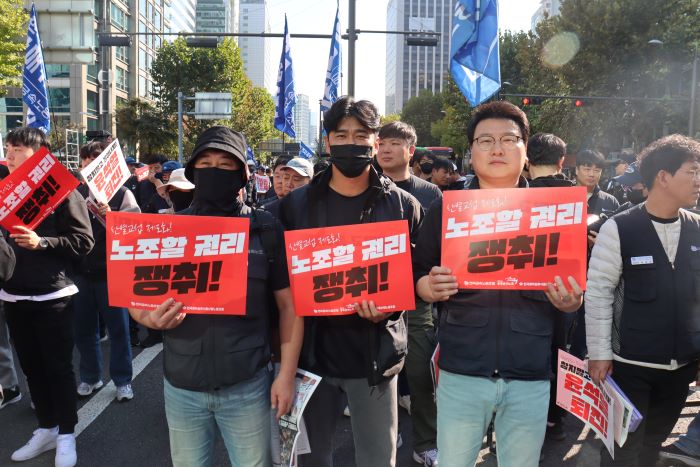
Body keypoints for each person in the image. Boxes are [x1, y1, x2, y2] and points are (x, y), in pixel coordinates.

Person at [413, 101, 583, 467]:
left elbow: (574, 290)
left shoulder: (554, 212)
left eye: (508, 139)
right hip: (462, 368)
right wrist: (427, 286)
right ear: (471, 151)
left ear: (525, 150)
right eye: (485, 140)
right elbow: (416, 273)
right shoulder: (448, 208)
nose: (497, 149)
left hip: (530, 370)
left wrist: (571, 302)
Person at [128, 126, 303, 467]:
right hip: (181, 386)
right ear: (193, 172)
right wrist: (148, 317)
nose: (214, 170)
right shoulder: (169, 231)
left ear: (243, 174)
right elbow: (135, 295)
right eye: (205, 163)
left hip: (248, 384)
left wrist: (286, 375)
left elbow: (289, 307)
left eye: (225, 164)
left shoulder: (266, 229)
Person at [280, 96, 422, 467]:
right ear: (327, 141)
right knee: (312, 459)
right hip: (312, 359)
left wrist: (390, 307)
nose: (351, 143)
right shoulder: (295, 205)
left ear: (375, 142)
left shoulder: (404, 206)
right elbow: (281, 282)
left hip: (375, 358)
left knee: (378, 458)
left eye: (361, 135)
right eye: (341, 135)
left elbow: (417, 277)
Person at [586, 134, 700, 467]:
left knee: (654, 443)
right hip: (629, 367)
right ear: (663, 176)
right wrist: (599, 353)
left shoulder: (697, 228)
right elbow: (599, 292)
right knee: (621, 449)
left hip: (681, 368)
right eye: (692, 172)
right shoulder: (620, 228)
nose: (698, 180)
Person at [2, 127, 94, 467]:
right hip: (14, 295)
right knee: (32, 368)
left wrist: (42, 242)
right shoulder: (5, 192)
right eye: (7, 148)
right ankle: (46, 428)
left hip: (54, 296)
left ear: (40, 154)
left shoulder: (60, 190)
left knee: (58, 368)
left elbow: (84, 241)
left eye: (17, 148)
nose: (9, 155)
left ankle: (67, 434)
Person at [377, 121, 441, 467]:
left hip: (417, 295)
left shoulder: (431, 194)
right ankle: (387, 434)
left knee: (419, 370)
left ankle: (426, 441)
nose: (386, 149)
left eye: (394, 143)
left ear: (410, 150)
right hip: (376, 293)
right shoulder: (364, 186)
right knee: (379, 370)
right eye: (381, 142)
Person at [74, 141, 140, 401]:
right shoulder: (76, 193)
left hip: (113, 274)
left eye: (93, 162)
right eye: (84, 162)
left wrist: (113, 216)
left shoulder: (123, 194)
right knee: (84, 330)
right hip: (81, 273)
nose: (87, 167)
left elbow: (135, 231)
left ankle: (123, 381)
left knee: (118, 330)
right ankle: (91, 377)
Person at [526, 132, 577, 442]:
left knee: (527, 355)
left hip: (521, 288)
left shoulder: (518, 195)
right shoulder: (575, 197)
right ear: (561, 161)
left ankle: (529, 418)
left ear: (527, 160)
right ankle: (555, 417)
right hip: (565, 289)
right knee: (560, 350)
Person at [570, 149, 620, 359]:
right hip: (567, 269)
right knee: (563, 322)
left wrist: (602, 243)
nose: (592, 173)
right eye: (587, 168)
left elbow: (618, 238)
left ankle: (578, 362)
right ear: (577, 169)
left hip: (595, 273)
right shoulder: (564, 196)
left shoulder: (611, 202)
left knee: (587, 323)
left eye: (597, 169)